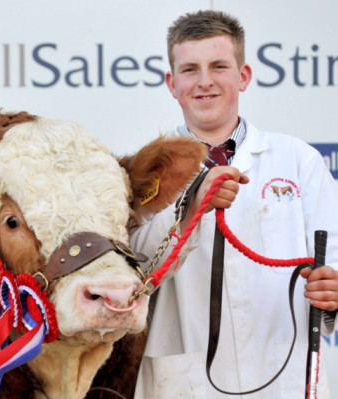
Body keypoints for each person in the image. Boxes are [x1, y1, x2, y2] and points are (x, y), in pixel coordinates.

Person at [131, 10, 338, 398]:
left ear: (243, 76)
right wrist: (190, 208)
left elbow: (335, 260)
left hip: (285, 377)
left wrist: (333, 293)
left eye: (219, 66)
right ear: (172, 84)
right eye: (190, 69)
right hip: (182, 383)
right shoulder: (143, 172)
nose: (204, 81)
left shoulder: (298, 159)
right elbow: (132, 275)